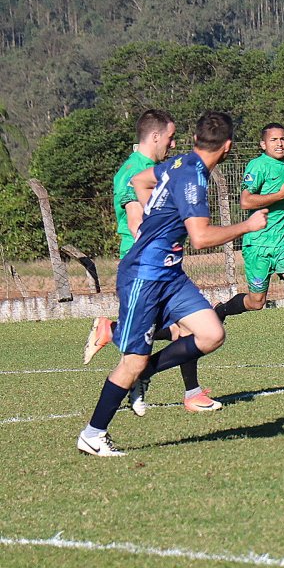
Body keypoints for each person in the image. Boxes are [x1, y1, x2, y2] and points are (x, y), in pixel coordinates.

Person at [77, 111, 267, 456]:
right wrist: (247, 226)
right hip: (144, 276)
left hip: (170, 274)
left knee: (211, 333)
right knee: (130, 362)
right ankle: (93, 434)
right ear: (228, 147)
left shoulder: (179, 164)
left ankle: (146, 372)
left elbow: (141, 181)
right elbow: (201, 237)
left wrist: (157, 217)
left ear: (196, 141)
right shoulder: (192, 177)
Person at [83, 109, 206, 418]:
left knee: (182, 329)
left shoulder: (150, 167)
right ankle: (185, 390)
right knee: (183, 330)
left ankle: (135, 358)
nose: (173, 143)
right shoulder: (134, 171)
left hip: (159, 261)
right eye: (170, 137)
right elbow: (138, 220)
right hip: (143, 263)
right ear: (155, 136)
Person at [209, 124, 284, 366]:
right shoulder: (258, 166)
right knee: (256, 302)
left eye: (283, 139)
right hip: (258, 245)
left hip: (283, 242)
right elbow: (246, 201)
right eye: (274, 140)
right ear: (263, 144)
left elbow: (280, 202)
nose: (279, 143)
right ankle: (221, 311)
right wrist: (280, 196)